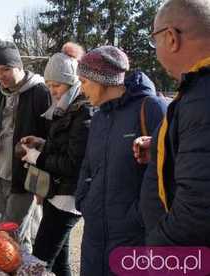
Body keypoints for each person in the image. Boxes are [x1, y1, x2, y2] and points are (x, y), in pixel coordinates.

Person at [74, 46, 167, 276]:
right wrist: (83, 201)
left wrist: (140, 216)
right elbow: (88, 165)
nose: (81, 89)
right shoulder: (98, 117)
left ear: (102, 80)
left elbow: (169, 171)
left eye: (84, 81)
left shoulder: (151, 108)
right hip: (94, 239)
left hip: (133, 241)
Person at [138, 0, 210, 246]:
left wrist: (160, 255)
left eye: (154, 39)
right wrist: (164, 149)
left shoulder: (203, 95)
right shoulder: (198, 90)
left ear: (170, 37)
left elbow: (198, 211)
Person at [19, 42, 89, 276]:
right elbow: (63, 147)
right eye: (49, 85)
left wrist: (36, 157)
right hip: (56, 194)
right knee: (60, 262)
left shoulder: (83, 110)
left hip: (68, 198)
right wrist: (42, 143)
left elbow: (73, 163)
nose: (53, 90)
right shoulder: (64, 107)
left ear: (71, 82)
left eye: (57, 85)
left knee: (39, 262)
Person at [0, 40, 50, 224]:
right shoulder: (0, 97)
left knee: (13, 236)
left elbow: (50, 136)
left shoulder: (40, 93)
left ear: (19, 66)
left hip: (25, 178)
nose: (0, 76)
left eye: (5, 69)